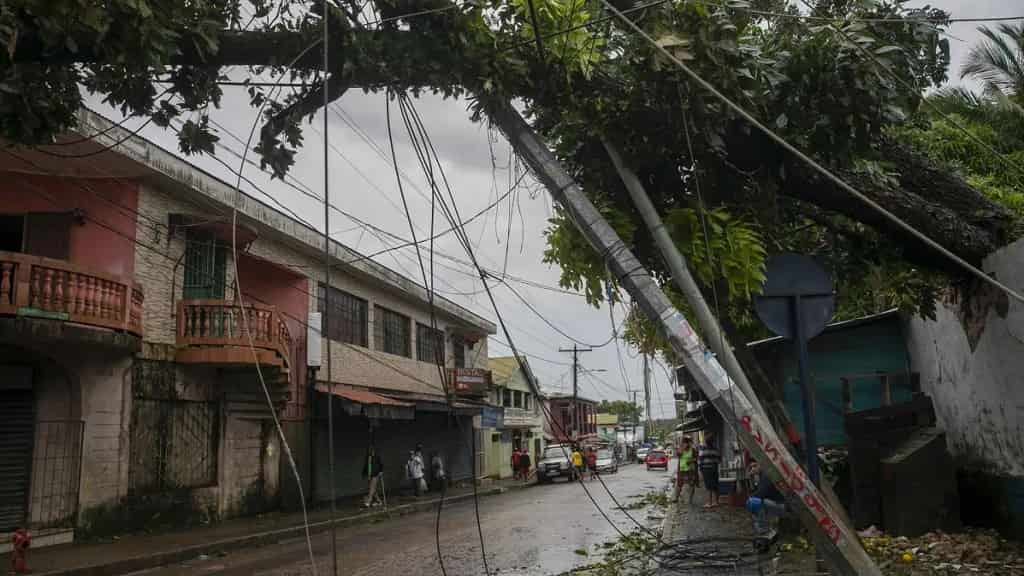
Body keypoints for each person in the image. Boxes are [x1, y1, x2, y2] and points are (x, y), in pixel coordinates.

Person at [699, 434, 722, 508]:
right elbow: (719, 460)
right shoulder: (716, 450)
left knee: (709, 487)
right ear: (713, 442)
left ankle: (709, 503)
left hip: (706, 470)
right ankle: (716, 502)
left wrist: (700, 470)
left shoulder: (703, 450)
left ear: (706, 442)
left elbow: (700, 461)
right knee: (715, 485)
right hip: (714, 469)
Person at [673, 436, 698, 504]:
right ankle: (676, 498)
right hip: (681, 470)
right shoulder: (681, 449)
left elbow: (696, 459)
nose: (684, 444)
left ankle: (690, 499)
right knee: (679, 484)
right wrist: (682, 448)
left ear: (689, 443)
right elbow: (678, 455)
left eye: (686, 443)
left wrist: (691, 461)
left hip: (690, 470)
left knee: (691, 484)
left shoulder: (693, 450)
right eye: (683, 443)